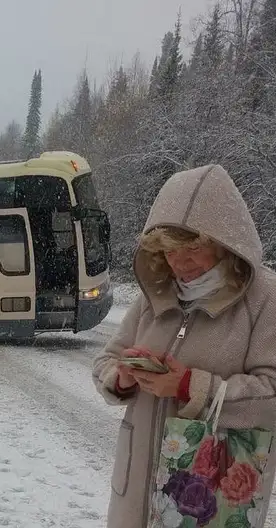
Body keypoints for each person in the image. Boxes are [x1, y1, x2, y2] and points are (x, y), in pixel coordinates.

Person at [92, 164, 276, 528]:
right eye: (169, 252)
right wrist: (122, 376)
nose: (179, 263)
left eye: (192, 249)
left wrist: (190, 386)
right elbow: (107, 359)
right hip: (135, 495)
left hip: (211, 500)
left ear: (225, 243)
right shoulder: (155, 293)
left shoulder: (265, 299)